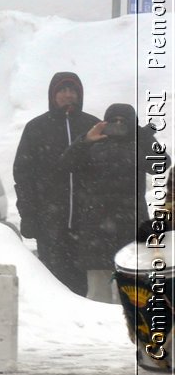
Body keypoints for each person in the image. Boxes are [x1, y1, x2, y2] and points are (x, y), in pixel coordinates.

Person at [13, 72, 100, 295]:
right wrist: (29, 214)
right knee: (52, 284)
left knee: (83, 287)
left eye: (73, 90)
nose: (68, 95)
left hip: (86, 223)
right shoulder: (37, 127)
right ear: (53, 95)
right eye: (62, 90)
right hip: (49, 221)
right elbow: (23, 175)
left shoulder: (93, 126)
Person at [61, 103, 158, 302]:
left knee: (134, 298)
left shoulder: (139, 145)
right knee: (98, 297)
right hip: (96, 229)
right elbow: (66, 163)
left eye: (124, 121)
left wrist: (146, 138)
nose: (118, 124)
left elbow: (161, 164)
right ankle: (97, 334)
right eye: (113, 120)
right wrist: (85, 140)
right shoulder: (93, 144)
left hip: (131, 227)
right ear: (104, 123)